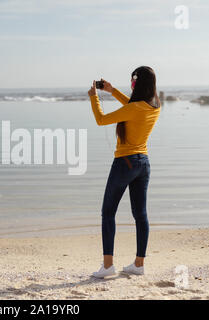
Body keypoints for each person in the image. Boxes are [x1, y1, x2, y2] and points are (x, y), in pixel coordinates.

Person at [87, 66, 161, 277]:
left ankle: (108, 266)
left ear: (137, 83)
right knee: (140, 214)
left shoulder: (134, 108)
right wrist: (111, 90)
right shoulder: (154, 105)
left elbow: (101, 120)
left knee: (108, 213)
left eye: (132, 81)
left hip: (124, 163)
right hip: (143, 163)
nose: (130, 84)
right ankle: (139, 264)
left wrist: (94, 98)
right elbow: (132, 106)